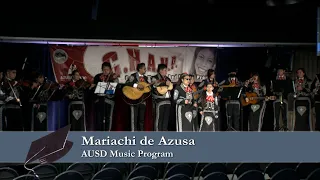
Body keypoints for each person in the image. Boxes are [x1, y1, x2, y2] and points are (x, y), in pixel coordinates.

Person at [93, 62, 119, 131]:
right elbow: (94, 89)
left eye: (107, 70)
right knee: (99, 118)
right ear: (102, 69)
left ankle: (107, 133)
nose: (106, 71)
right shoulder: (97, 77)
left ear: (110, 70)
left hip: (109, 101)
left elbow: (115, 89)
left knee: (108, 117)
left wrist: (111, 81)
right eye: (104, 69)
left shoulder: (113, 77)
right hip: (99, 100)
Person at [125, 63, 149, 131]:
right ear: (140, 69)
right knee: (133, 119)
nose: (145, 70)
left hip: (142, 100)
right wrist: (136, 85)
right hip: (134, 100)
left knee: (141, 120)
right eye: (144, 68)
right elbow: (127, 84)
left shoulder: (146, 78)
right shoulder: (133, 76)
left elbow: (148, 88)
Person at [0, 66, 24, 131]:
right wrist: (14, 99)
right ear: (7, 73)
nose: (15, 74)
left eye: (15, 73)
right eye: (13, 72)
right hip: (8, 109)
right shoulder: (3, 83)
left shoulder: (16, 83)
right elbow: (3, 95)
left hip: (17, 109)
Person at [271, 67, 293, 131]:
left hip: (285, 99)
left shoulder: (288, 80)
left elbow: (290, 89)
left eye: (281, 70)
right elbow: (271, 89)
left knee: (285, 113)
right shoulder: (274, 80)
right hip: (276, 99)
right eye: (278, 71)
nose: (279, 72)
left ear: (284, 71)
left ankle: (285, 126)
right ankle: (276, 126)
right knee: (276, 114)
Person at [151, 64, 172, 131]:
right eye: (165, 70)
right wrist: (165, 83)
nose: (166, 72)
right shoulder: (154, 78)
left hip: (167, 100)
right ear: (160, 71)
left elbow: (170, 87)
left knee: (166, 118)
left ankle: (164, 131)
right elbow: (155, 84)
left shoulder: (168, 78)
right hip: (159, 100)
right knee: (159, 118)